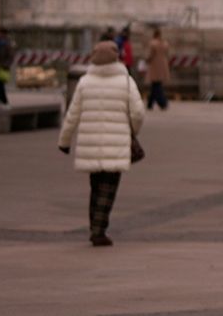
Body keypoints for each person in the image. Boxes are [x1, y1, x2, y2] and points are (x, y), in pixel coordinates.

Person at [58, 41, 144, 246]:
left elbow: (72, 114)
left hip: (90, 144)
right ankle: (99, 229)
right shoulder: (125, 81)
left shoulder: (85, 82)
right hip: (116, 143)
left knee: (95, 187)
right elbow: (138, 113)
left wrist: (65, 141)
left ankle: (95, 227)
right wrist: (132, 130)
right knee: (109, 188)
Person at [145, 28, 171, 111]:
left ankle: (162, 102)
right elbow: (167, 54)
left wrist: (147, 60)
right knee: (156, 84)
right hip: (163, 65)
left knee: (156, 85)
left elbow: (150, 55)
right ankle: (150, 103)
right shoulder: (165, 43)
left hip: (155, 65)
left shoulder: (153, 43)